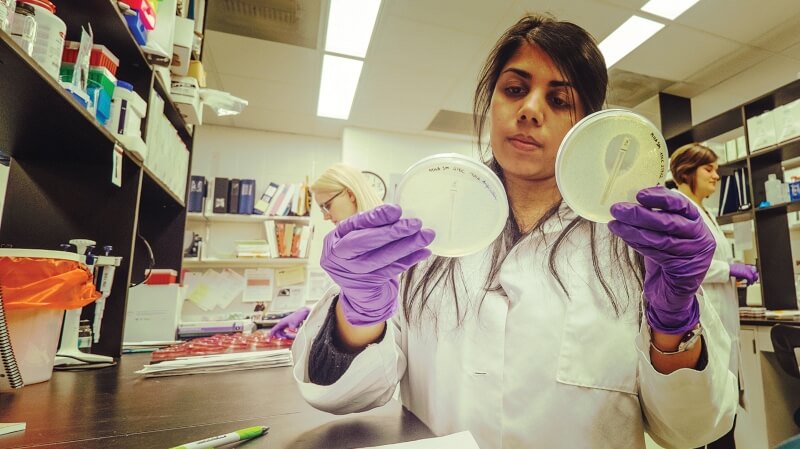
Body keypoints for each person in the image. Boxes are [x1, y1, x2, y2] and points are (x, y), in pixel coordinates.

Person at [290, 14, 738, 449]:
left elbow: (689, 428)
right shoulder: (429, 231)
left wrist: (674, 322)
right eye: (515, 89)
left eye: (559, 100)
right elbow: (348, 394)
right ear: (493, 102)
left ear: (586, 126)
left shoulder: (632, 242)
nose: (529, 110)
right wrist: (359, 313)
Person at [671, 143, 759, 449]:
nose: (716, 176)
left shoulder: (704, 211)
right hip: (703, 329)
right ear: (686, 171)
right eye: (708, 168)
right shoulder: (680, 208)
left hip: (722, 323)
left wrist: (729, 276)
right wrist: (729, 270)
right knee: (710, 422)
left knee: (724, 418)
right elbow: (684, 263)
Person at [268, 163, 383, 339]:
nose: (325, 216)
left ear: (350, 194)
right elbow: (345, 298)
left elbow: (378, 312)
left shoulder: (384, 244)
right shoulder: (350, 244)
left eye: (327, 206)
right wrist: (312, 313)